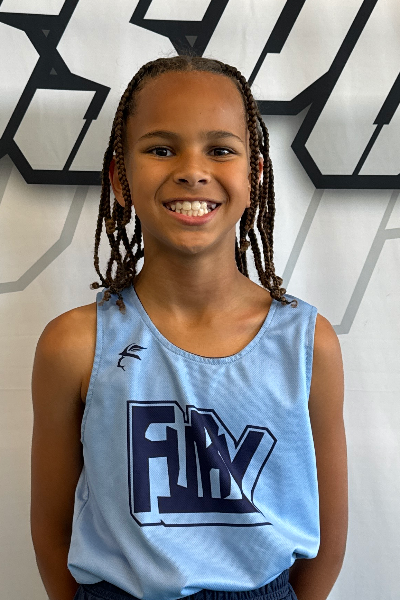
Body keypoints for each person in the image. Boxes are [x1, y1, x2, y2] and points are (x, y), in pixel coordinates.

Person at [30, 55, 348, 600]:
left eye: (220, 150)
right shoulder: (75, 345)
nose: (192, 170)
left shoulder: (306, 342)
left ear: (254, 177)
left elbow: (328, 540)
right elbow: (52, 531)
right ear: (120, 179)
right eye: (161, 149)